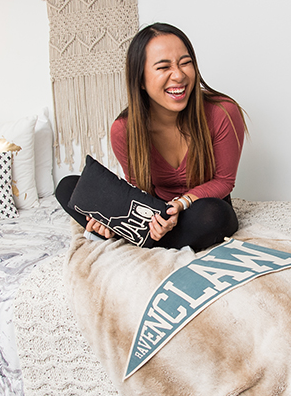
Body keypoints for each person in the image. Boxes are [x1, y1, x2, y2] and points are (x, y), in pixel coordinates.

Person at [56, 23, 247, 251]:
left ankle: (135, 240)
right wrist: (105, 214)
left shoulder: (223, 112)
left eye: (185, 63)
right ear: (140, 80)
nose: (178, 75)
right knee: (68, 188)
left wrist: (178, 205)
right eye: (163, 67)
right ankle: (134, 234)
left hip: (199, 207)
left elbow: (224, 181)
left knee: (215, 215)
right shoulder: (124, 129)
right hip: (154, 210)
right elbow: (139, 188)